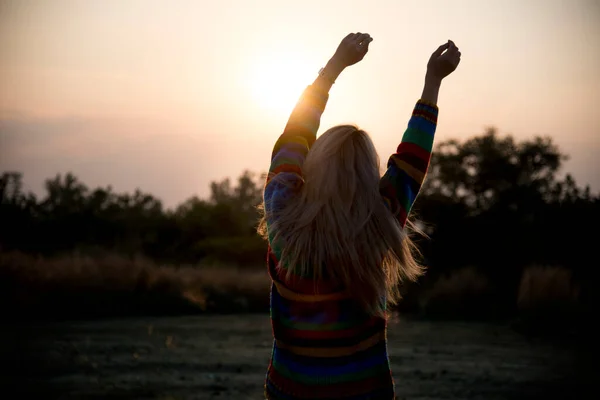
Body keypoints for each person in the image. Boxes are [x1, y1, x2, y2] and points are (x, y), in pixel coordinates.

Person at [258, 32, 461, 400]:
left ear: (313, 165)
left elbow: (295, 134)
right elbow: (412, 158)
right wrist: (433, 80)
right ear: (369, 175)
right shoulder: (380, 222)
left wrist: (334, 68)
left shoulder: (282, 215)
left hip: (290, 391)